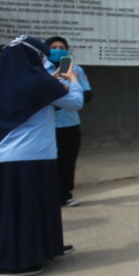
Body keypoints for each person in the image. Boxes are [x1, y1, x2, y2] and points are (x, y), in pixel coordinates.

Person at [0, 36, 82, 276]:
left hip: (2, 155)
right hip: (32, 154)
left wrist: (53, 82)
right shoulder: (38, 82)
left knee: (18, 207)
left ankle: (44, 247)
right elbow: (74, 102)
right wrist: (73, 80)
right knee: (27, 208)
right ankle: (17, 263)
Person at [46, 36, 92, 207]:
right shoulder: (42, 70)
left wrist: (71, 83)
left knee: (67, 161)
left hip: (70, 123)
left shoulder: (76, 70)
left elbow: (87, 94)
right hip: (48, 124)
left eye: (62, 47)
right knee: (49, 162)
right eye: (54, 47)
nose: (58, 50)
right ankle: (47, 195)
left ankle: (65, 194)